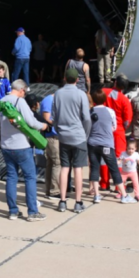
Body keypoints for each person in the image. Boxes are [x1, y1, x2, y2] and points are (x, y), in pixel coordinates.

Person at [0, 80, 48, 221]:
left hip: (6, 146)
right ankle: (32, 212)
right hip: (22, 146)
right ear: (21, 90)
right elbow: (31, 122)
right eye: (25, 91)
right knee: (30, 177)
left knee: (11, 177)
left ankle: (13, 211)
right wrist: (43, 126)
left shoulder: (1, 102)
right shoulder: (20, 102)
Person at [53, 67, 91, 213]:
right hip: (78, 135)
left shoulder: (58, 93)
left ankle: (62, 201)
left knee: (64, 168)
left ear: (64, 78)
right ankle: (78, 202)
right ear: (77, 79)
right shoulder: (81, 94)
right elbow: (86, 118)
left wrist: (59, 130)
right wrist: (85, 134)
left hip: (63, 136)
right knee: (78, 169)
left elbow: (54, 116)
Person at [86, 89, 129, 204]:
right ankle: (123, 195)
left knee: (95, 168)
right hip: (106, 144)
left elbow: (87, 127)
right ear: (104, 99)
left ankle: (96, 195)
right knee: (113, 168)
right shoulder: (110, 111)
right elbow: (114, 126)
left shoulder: (89, 111)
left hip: (92, 144)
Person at [101, 74, 131, 190]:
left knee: (104, 156)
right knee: (119, 157)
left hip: (104, 129)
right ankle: (119, 186)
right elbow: (127, 120)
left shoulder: (103, 91)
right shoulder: (124, 100)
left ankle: (104, 183)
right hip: (118, 131)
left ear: (115, 83)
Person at [39, 92, 61, 198]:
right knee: (57, 163)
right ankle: (54, 191)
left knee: (51, 163)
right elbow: (46, 118)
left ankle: (49, 190)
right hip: (52, 136)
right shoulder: (49, 100)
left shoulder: (52, 99)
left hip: (54, 135)